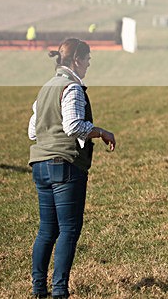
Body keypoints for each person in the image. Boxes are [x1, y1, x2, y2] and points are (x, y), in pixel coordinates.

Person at [28, 38, 116, 298]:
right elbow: (74, 126)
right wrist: (101, 131)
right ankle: (59, 291)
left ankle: (38, 289)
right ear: (76, 59)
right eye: (87, 58)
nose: (89, 63)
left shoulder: (46, 88)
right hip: (65, 166)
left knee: (47, 230)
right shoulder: (72, 88)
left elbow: (33, 130)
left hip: (40, 167)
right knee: (68, 229)